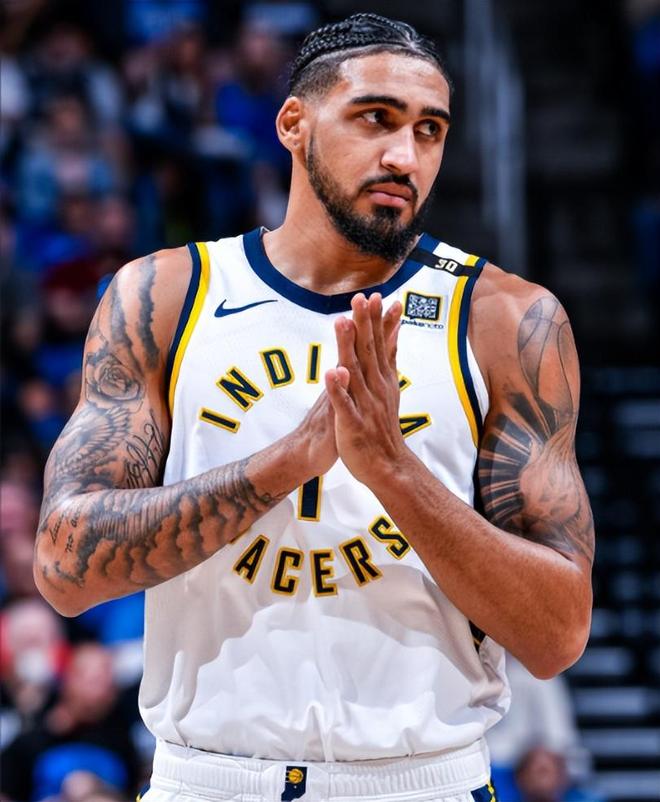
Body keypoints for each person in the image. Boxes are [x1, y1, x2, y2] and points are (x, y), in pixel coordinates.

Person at [34, 13, 595, 802]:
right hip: (208, 778)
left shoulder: (505, 320)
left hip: (419, 781)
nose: (404, 156)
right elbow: (64, 568)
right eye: (376, 118)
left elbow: (558, 634)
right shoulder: (165, 296)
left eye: (430, 130)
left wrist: (393, 470)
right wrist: (284, 464)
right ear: (294, 123)